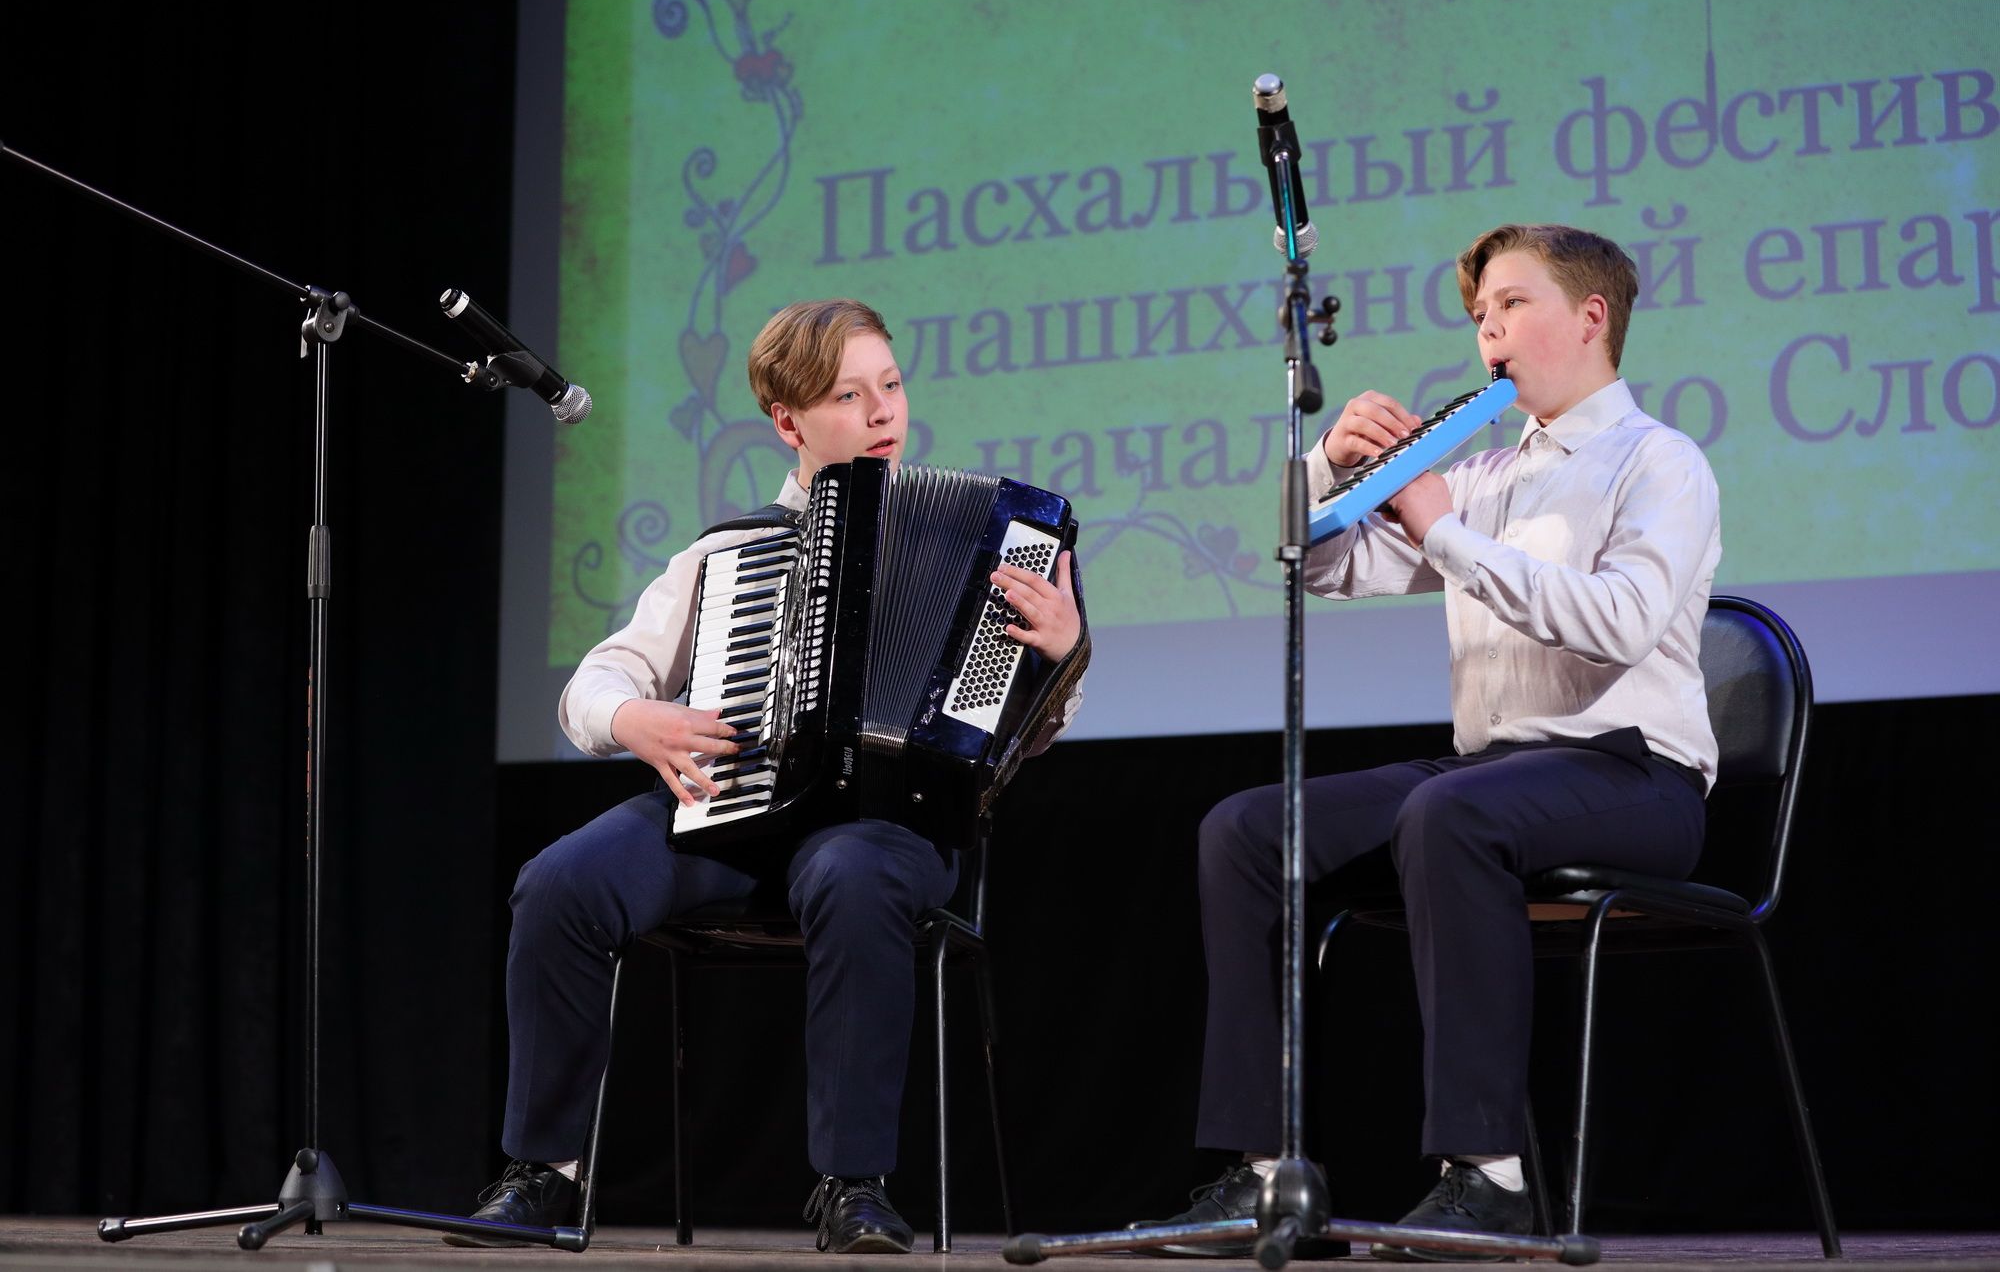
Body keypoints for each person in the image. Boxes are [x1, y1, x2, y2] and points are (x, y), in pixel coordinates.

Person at [450, 299, 1085, 1254]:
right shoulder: (730, 552)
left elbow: (1027, 737)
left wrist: (1062, 657)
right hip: (732, 817)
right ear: (789, 421)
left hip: (893, 827)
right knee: (560, 882)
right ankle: (544, 1171)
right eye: (848, 396)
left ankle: (853, 1185)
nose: (883, 412)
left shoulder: (989, 542)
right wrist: (633, 718)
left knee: (850, 872)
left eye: (891, 385)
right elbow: (596, 681)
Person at [1141, 224, 1720, 1261]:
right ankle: (1265, 1179)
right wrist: (1327, 465)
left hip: (1636, 775)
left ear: (1590, 317)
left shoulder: (1659, 461)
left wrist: (1443, 530)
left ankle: (1489, 1176)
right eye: (1478, 315)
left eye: (1511, 304)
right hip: (1490, 775)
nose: (1486, 331)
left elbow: (1621, 619)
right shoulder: (1484, 473)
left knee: (1449, 812)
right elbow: (1320, 566)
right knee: (1246, 829)